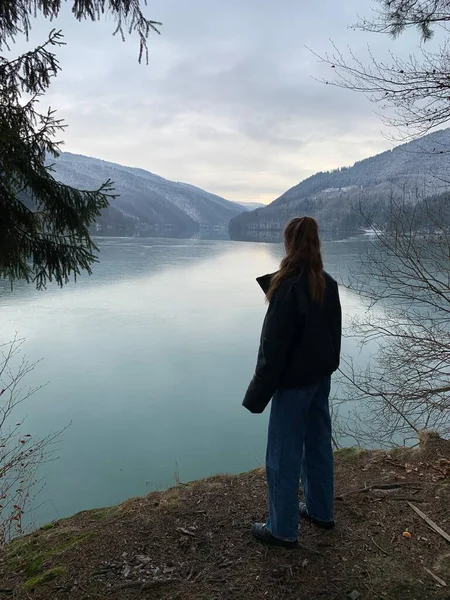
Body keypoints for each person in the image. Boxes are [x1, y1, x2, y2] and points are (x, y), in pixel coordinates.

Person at [243, 216, 342, 548]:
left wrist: (256, 395)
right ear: (316, 243)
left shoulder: (286, 287)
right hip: (319, 378)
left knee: (283, 455)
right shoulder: (327, 283)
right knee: (317, 444)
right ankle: (319, 511)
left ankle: (282, 529)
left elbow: (271, 349)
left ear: (288, 243)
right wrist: (328, 366)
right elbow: (334, 337)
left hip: (293, 385)